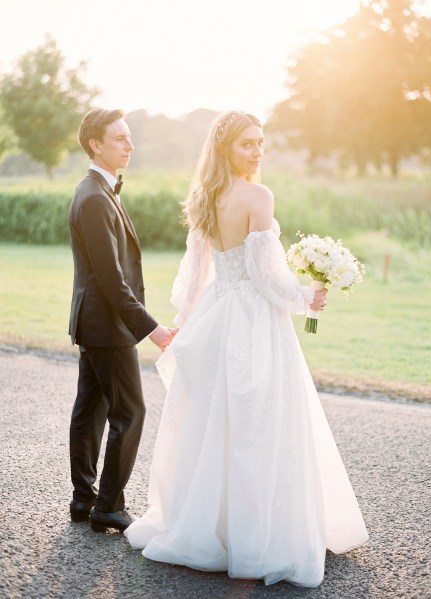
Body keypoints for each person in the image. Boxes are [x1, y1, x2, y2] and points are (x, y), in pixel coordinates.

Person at [124, 111, 368, 587]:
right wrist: (305, 299)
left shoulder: (205, 196)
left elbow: (196, 274)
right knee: (260, 421)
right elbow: (267, 276)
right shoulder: (258, 196)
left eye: (261, 143)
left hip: (218, 314)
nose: (257, 152)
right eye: (246, 145)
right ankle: (259, 534)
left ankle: (213, 526)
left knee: (219, 420)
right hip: (255, 320)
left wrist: (190, 321)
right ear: (225, 149)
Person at [68, 108, 175, 533]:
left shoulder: (99, 190)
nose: (130, 145)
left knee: (90, 410)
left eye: (130, 137)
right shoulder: (94, 197)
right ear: (96, 144)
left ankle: (84, 499)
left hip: (95, 323)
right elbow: (112, 280)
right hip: (107, 325)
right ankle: (108, 506)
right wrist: (152, 328)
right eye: (120, 138)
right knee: (130, 412)